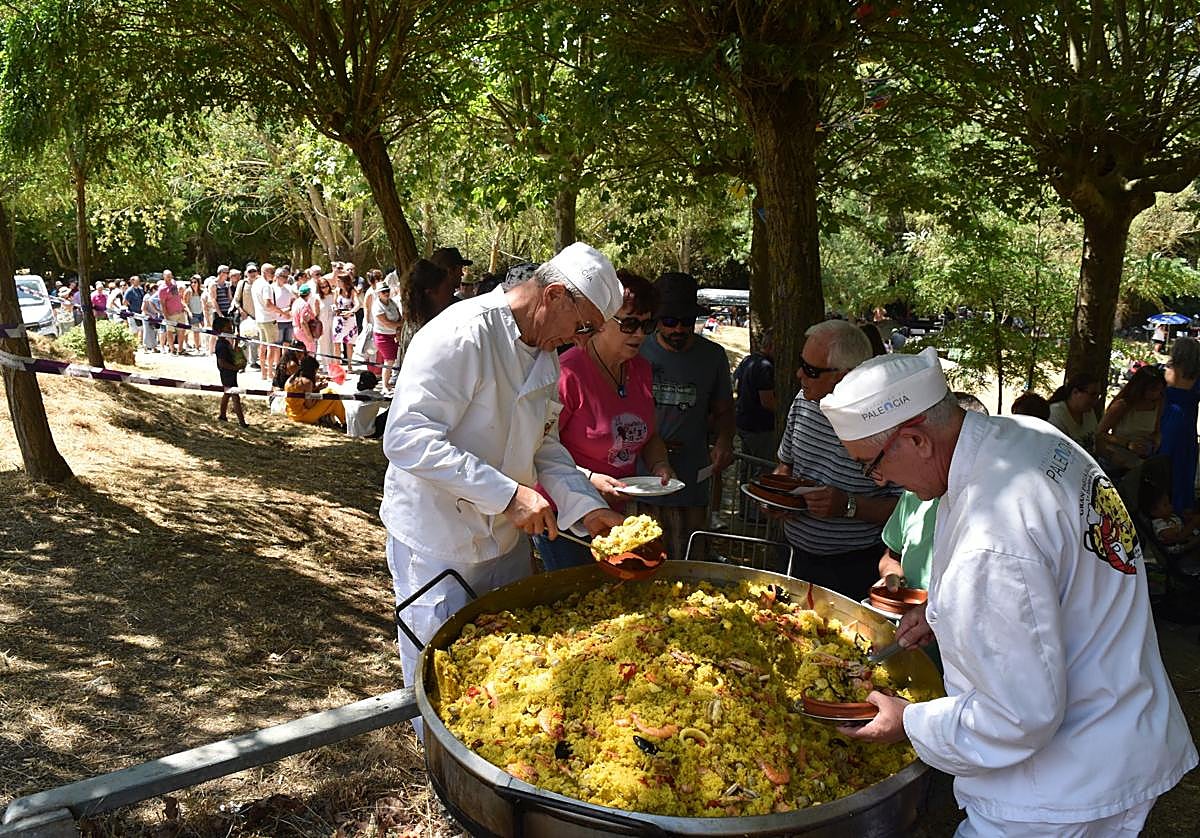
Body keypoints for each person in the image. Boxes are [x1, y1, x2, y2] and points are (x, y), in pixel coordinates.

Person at [827, 348, 1197, 834]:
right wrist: (943, 614)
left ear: (915, 439)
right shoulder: (1033, 439)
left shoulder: (992, 539)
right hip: (1121, 723)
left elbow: (1020, 717)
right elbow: (1052, 578)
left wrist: (909, 722)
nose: (879, 481)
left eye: (870, 466)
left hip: (1057, 789)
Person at [381, 242, 626, 715]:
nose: (582, 342)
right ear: (554, 295)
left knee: (505, 665)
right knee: (438, 673)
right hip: (439, 539)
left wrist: (585, 506)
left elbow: (544, 445)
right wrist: (508, 494)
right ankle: (440, 765)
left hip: (506, 541)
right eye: (584, 327)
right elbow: (407, 437)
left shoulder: (545, 352)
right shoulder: (463, 333)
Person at [531, 269, 674, 570]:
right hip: (564, 517)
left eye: (647, 325)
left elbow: (649, 436)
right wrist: (590, 479)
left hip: (614, 513)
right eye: (630, 323)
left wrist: (660, 464)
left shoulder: (642, 370)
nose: (640, 334)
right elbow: (541, 449)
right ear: (600, 319)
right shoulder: (566, 374)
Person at [771, 319, 900, 597]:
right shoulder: (804, 400)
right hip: (793, 555)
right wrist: (776, 496)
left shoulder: (887, 423)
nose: (798, 374)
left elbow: (908, 511)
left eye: (810, 370)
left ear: (847, 375)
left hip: (853, 567)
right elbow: (786, 465)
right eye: (800, 363)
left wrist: (849, 505)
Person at [637, 272, 734, 560]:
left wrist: (725, 440)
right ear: (657, 321)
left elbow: (725, 410)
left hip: (693, 471)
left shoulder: (713, 356)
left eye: (687, 322)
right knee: (646, 548)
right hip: (644, 473)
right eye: (670, 322)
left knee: (692, 550)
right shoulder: (638, 352)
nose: (679, 328)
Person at [1095, 365, 1166, 475]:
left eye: (1160, 391)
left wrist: (1155, 442)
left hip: (1139, 465)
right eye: (1153, 390)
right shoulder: (1122, 405)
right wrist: (1128, 444)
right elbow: (1100, 433)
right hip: (1115, 463)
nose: (1156, 394)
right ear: (1141, 388)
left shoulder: (1158, 403)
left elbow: (1156, 431)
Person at [1157, 337, 1200, 514]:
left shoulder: (1166, 372)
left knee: (1164, 463)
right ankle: (1181, 505)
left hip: (1167, 422)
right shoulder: (1197, 377)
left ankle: (1160, 504)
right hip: (1187, 426)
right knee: (1184, 466)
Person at [732, 327, 776, 462]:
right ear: (771, 345)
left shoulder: (748, 360)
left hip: (744, 422)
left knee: (748, 465)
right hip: (759, 427)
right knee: (761, 467)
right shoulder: (765, 366)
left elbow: (736, 384)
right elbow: (767, 402)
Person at [397, 258, 453, 360]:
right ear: (430, 293)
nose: (450, 294)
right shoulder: (425, 328)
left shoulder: (412, 320)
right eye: (446, 289)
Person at [284, 355, 345, 428]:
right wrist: (318, 389)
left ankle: (336, 420)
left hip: (290, 413)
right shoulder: (307, 382)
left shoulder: (292, 378)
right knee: (333, 397)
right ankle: (344, 421)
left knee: (329, 391)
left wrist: (319, 385)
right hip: (301, 416)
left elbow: (303, 396)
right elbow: (309, 405)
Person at [1047, 372, 1102, 450]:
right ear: (1075, 392)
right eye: (1092, 394)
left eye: (1098, 396)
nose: (1096, 400)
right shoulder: (1056, 414)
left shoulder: (1089, 412)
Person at [212, 315, 248, 427]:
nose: (231, 330)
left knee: (227, 393)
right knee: (235, 397)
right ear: (220, 330)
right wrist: (235, 368)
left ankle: (222, 415)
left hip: (230, 372)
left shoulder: (226, 343)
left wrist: (236, 343)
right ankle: (242, 422)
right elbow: (222, 363)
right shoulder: (221, 346)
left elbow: (232, 353)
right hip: (227, 373)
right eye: (228, 328)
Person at [373, 284, 403, 393]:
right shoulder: (377, 306)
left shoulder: (391, 302)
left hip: (394, 334)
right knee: (389, 360)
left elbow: (399, 315)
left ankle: (388, 382)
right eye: (383, 291)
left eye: (387, 290)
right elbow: (386, 323)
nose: (386, 293)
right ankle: (385, 386)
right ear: (378, 294)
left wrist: (399, 327)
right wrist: (401, 324)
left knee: (392, 360)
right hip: (383, 336)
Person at [331, 273, 360, 364]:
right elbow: (334, 303)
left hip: (349, 318)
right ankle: (337, 364)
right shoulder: (337, 291)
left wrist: (350, 312)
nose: (338, 282)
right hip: (338, 319)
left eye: (339, 281)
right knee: (336, 342)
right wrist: (334, 308)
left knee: (349, 343)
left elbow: (358, 304)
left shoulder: (352, 291)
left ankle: (349, 364)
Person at [158, 270, 188, 355]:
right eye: (168, 276)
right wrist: (166, 315)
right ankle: (172, 349)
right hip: (170, 314)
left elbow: (178, 296)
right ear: (164, 276)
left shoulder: (174, 283)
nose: (169, 277)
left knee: (181, 331)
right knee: (170, 332)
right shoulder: (162, 289)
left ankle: (180, 349)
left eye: (170, 275)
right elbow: (162, 304)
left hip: (180, 312)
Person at [292, 283, 321, 354]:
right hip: (303, 331)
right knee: (310, 352)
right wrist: (309, 336)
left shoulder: (296, 302)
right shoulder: (305, 305)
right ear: (309, 293)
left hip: (296, 330)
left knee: (301, 353)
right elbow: (303, 322)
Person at [315, 274, 336, 363]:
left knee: (334, 343)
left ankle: (335, 363)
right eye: (322, 287)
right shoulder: (317, 298)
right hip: (323, 322)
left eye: (326, 286)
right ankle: (326, 364)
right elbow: (316, 313)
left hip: (334, 321)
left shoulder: (334, 294)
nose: (325, 288)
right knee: (324, 343)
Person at [185, 275, 206, 353]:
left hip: (201, 313)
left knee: (206, 329)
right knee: (196, 331)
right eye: (192, 282)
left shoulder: (202, 291)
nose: (193, 284)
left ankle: (204, 345)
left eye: (195, 282)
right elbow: (185, 303)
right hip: (193, 313)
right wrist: (189, 312)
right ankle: (197, 348)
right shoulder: (188, 291)